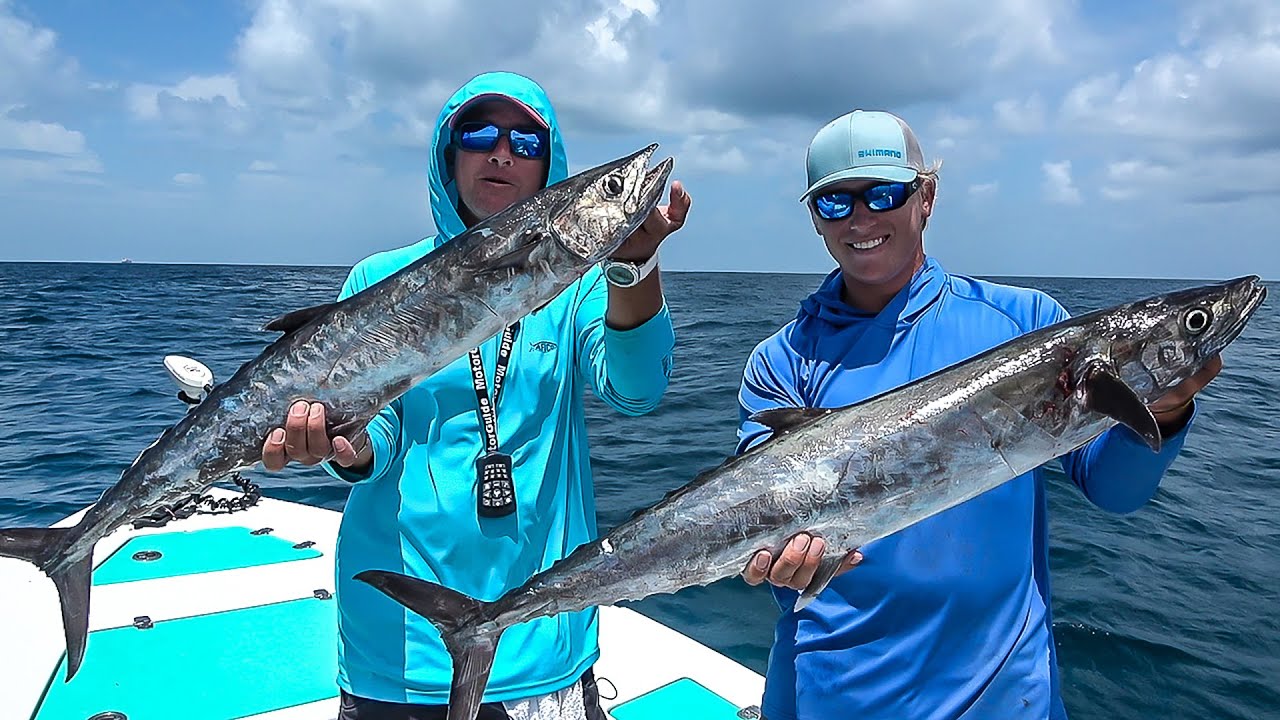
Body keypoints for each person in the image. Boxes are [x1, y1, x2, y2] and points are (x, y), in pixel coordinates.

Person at [734, 109, 1220, 720]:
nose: (862, 218)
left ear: (927, 196)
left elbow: (1115, 489)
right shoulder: (782, 360)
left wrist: (1169, 410)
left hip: (1001, 699)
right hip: (830, 695)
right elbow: (759, 508)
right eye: (835, 202)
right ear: (814, 218)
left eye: (884, 193)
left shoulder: (1028, 323)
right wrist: (779, 556)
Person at [259, 71, 690, 720]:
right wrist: (345, 450)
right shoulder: (380, 278)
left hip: (544, 643)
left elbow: (636, 390)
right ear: (447, 154)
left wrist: (633, 266)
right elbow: (377, 428)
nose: (502, 152)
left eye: (526, 140)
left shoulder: (578, 288)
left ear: (550, 164)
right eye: (480, 133)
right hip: (398, 646)